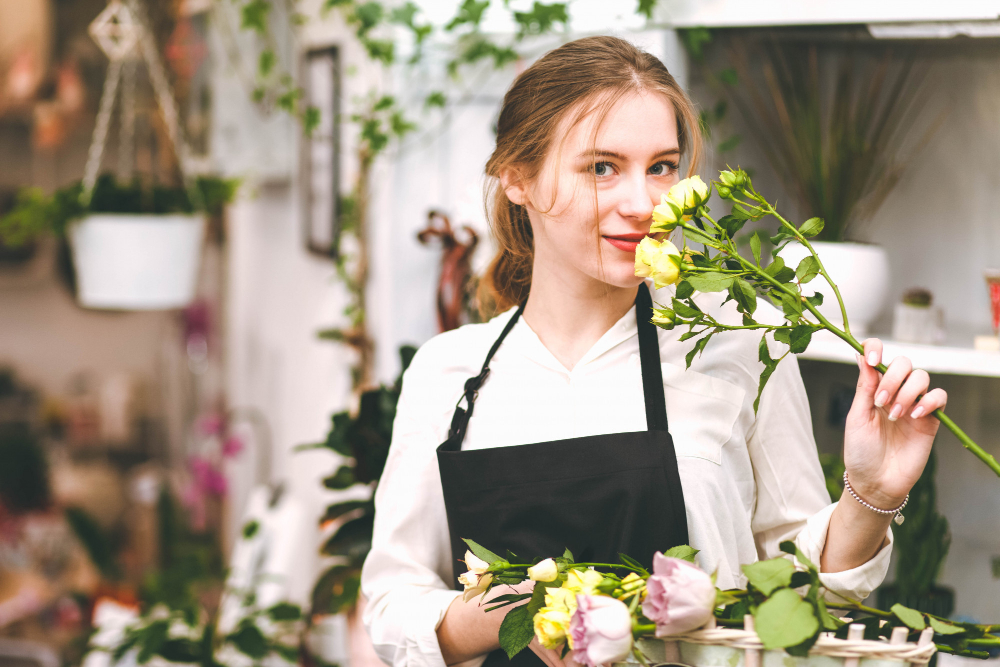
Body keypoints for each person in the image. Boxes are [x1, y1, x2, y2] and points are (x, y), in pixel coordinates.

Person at [361, 35, 946, 667]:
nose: (643, 205)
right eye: (602, 167)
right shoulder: (448, 374)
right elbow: (393, 605)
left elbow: (802, 602)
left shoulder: (739, 345)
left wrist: (872, 496)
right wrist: (500, 612)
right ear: (517, 178)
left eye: (662, 166)